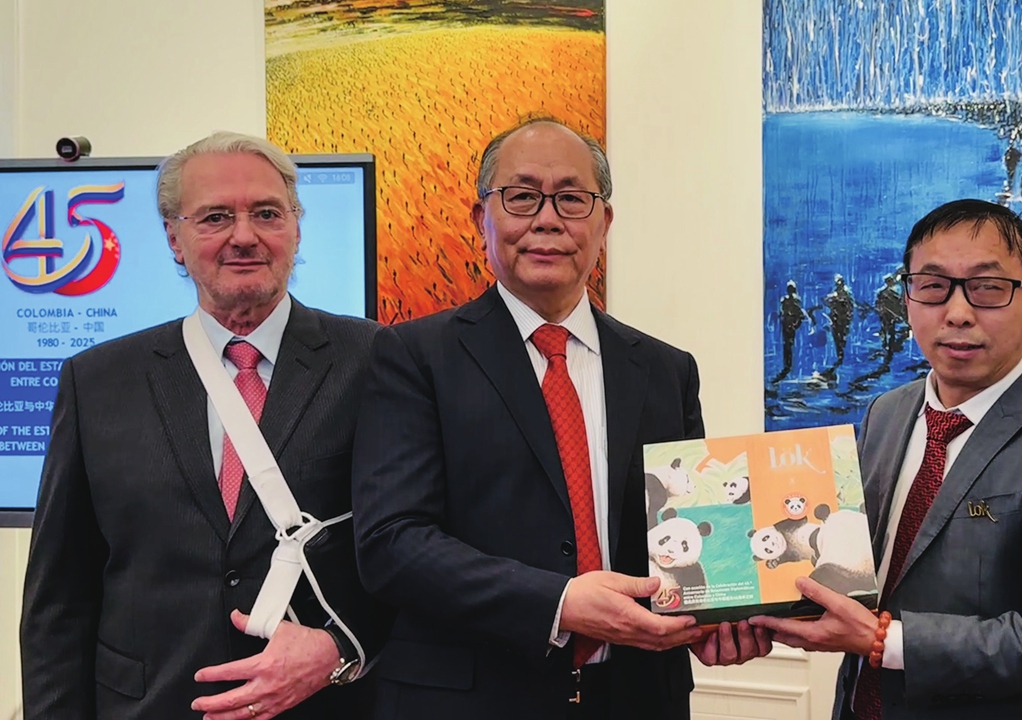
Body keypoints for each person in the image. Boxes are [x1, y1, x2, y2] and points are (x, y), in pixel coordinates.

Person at [351, 118, 769, 720]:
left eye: (572, 199)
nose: (547, 219)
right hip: (470, 700)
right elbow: (391, 543)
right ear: (481, 220)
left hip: (637, 696)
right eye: (521, 197)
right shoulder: (412, 357)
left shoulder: (665, 369)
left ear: (604, 222)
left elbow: (683, 535)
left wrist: (724, 615)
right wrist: (561, 601)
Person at [21, 132, 392, 720]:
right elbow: (59, 599)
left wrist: (343, 647)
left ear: (296, 227)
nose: (243, 235)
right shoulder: (97, 382)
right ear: (175, 237)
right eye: (216, 216)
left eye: (267, 213)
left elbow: (416, 554)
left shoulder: (376, 360)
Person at [751, 199, 1022, 719]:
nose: (957, 312)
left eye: (987, 288)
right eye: (934, 286)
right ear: (908, 297)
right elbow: (843, 570)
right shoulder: (887, 414)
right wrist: (745, 613)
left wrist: (883, 639)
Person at [772, 279, 810, 382]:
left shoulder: (796, 301)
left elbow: (800, 315)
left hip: (791, 326)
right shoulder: (785, 300)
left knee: (791, 346)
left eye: (791, 289)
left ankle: (791, 367)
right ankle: (788, 366)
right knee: (787, 346)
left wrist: (795, 324)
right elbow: (782, 312)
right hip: (786, 326)